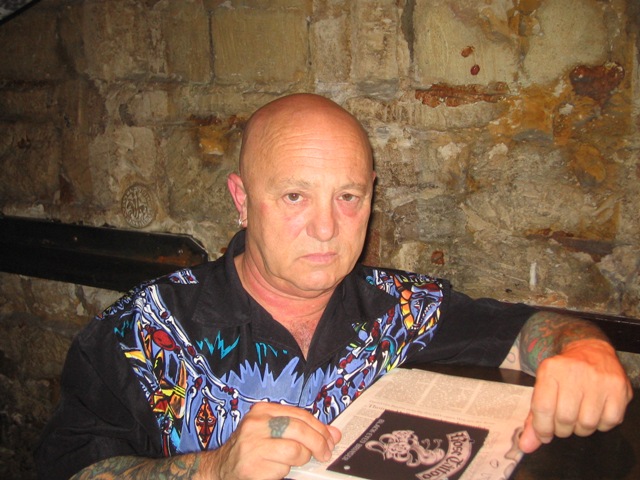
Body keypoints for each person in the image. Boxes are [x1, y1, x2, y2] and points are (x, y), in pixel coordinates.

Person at [35, 93, 632, 480]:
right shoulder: (139, 333)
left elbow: (525, 327)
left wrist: (582, 347)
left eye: (348, 196)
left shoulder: (403, 310)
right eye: (295, 196)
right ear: (242, 199)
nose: (326, 228)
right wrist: (212, 470)